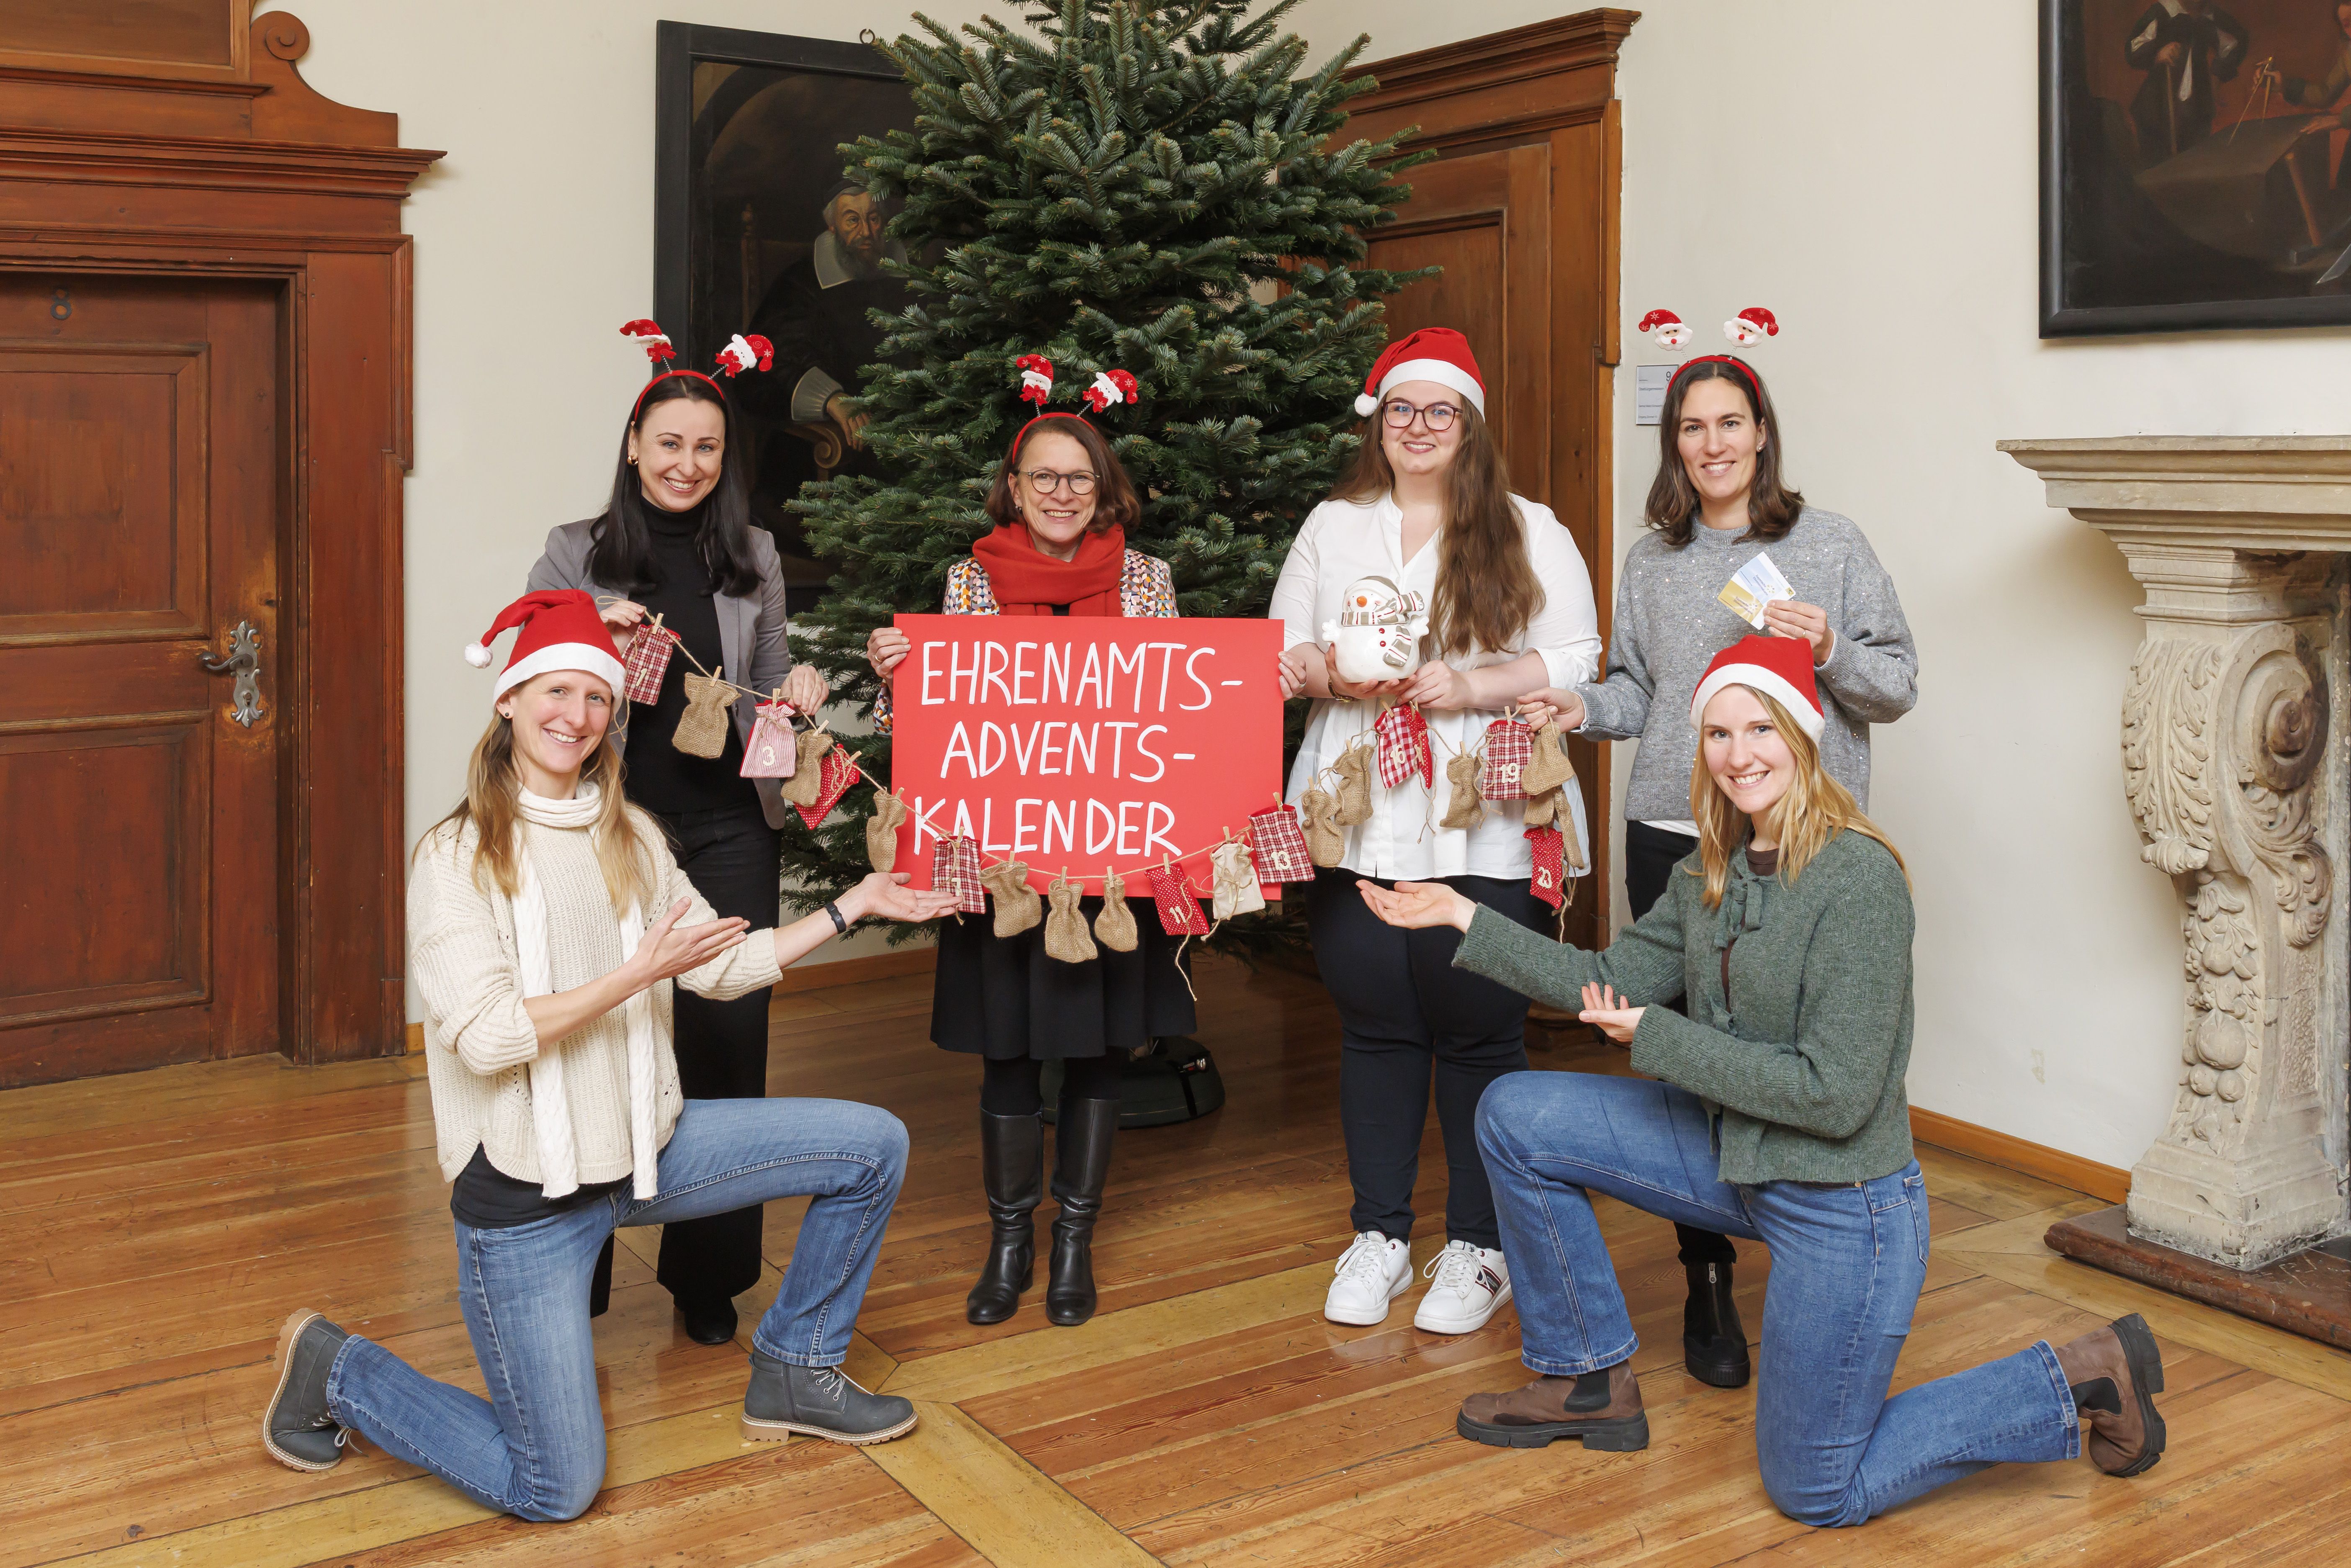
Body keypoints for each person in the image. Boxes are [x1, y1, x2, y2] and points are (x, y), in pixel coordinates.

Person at [1360, 636, 2170, 1524]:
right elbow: (1610, 982)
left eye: (1759, 728)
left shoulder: (1859, 879)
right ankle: (1586, 1378)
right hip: (1731, 1155)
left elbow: (1835, 1094)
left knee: (1815, 1487)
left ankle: (2086, 1374)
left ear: (1802, 736)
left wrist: (1660, 1037)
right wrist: (1459, 911)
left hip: (1842, 1200)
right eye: (1716, 733)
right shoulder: (1708, 869)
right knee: (1516, 1112)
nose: (1738, 754)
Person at [259, 589, 956, 1520]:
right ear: (508, 701)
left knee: (873, 1144)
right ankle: (335, 1369)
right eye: (553, 692)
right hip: (526, 1200)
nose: (574, 716)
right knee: (553, 1486)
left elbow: (721, 966)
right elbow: (489, 1033)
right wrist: (637, 974)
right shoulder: (456, 855)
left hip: (645, 1150)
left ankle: (796, 1370)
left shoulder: (631, 835)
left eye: (594, 699)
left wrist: (852, 907)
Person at [1517, 350, 1916, 1390]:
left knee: (1778, 1048)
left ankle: (1815, 1253)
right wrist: (1579, 709)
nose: (1712, 444)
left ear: (1761, 432)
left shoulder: (1830, 545)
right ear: (1675, 446)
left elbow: (1897, 683)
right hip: (1669, 826)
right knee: (1683, 1053)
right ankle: (1705, 1282)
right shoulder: (1654, 560)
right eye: (1692, 428)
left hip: (1797, 838)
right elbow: (1639, 694)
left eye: (1729, 423)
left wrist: (1827, 647)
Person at [1270, 328, 1602, 1337]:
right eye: (1402, 409)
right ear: (1381, 422)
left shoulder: (1526, 527)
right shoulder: (1333, 526)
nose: (1420, 427)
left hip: (1483, 811)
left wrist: (1472, 682)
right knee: (1372, 1022)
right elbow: (1285, 651)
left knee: (1477, 1030)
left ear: (1469, 426)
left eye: (1440, 411)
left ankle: (1479, 1245)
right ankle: (1380, 1235)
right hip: (1354, 805)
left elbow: (1577, 653)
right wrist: (1335, 674)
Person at [864, 370, 1190, 1330]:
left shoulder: (1147, 582)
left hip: (1107, 862)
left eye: (1078, 479)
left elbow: (1174, 714)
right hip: (999, 866)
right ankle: (1009, 1241)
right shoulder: (967, 583)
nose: (1060, 494)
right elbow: (937, 729)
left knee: (1095, 1054)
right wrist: (896, 679)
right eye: (1042, 477)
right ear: (1012, 487)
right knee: (1004, 1054)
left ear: (1102, 488)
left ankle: (1074, 1245)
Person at [527, 348, 824, 1347]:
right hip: (608, 833)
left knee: (727, 1050)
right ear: (633, 448)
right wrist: (583, 637)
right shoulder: (577, 551)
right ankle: (580, 1279)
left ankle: (711, 1277)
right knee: (601, 1045)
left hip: (731, 826)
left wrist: (801, 698)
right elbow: (523, 678)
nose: (687, 464)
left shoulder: (753, 554)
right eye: (668, 445)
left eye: (705, 447)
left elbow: (773, 687)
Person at [2124, 0, 2250, 160]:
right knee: (2159, 166)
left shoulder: (2210, 15)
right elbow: (2133, 50)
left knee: (2194, 163)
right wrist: (2158, 54)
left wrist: (2218, 73)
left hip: (2197, 105)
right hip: (2158, 108)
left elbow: (2237, 42)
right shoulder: (2163, 12)